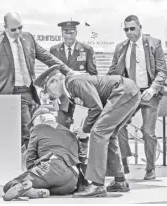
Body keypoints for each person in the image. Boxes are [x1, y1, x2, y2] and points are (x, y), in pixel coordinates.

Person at [0, 12, 79, 148]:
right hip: (11, 94)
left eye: (20, 28)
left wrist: (69, 71)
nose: (17, 32)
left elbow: (47, 57)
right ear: (5, 28)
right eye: (13, 29)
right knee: (29, 133)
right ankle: (31, 166)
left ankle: (27, 163)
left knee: (32, 131)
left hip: (30, 93)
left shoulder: (28, 38)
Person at [34, 65, 141, 197]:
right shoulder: (70, 88)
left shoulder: (73, 82)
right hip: (128, 91)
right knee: (109, 135)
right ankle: (120, 181)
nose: (48, 95)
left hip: (123, 91)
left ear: (55, 81)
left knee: (98, 133)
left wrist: (84, 129)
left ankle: (97, 185)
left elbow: (96, 107)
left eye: (46, 89)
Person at [107, 15, 167, 180]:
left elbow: (162, 70)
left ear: (140, 27)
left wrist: (154, 88)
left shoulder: (154, 43)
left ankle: (150, 169)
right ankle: (123, 166)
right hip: (129, 94)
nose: (129, 32)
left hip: (149, 93)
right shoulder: (120, 47)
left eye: (132, 28)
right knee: (118, 127)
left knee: (148, 132)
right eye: (126, 29)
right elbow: (112, 72)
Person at [3, 108, 87, 201]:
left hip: (53, 167)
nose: (33, 126)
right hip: (72, 181)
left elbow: (30, 157)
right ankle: (34, 191)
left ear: (42, 118)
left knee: (10, 185)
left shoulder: (38, 128)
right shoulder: (70, 132)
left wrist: (32, 172)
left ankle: (27, 190)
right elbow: (82, 158)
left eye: (34, 122)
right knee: (46, 187)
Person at [50, 21, 98, 129]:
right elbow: (51, 77)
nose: (69, 36)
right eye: (66, 33)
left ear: (76, 33)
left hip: (81, 99)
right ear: (62, 33)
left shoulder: (87, 50)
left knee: (81, 133)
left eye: (71, 33)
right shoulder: (54, 50)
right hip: (62, 100)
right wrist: (53, 98)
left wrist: (86, 95)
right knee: (62, 132)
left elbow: (93, 75)